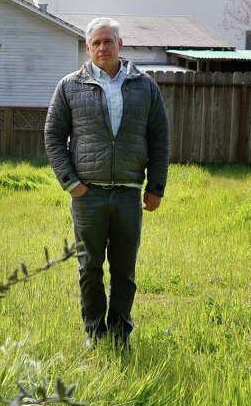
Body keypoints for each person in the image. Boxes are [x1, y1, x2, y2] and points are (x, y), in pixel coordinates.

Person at [44, 18, 170, 349]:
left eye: (108, 42)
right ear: (88, 48)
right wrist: (71, 183)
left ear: (120, 44)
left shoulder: (145, 86)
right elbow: (53, 136)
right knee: (90, 268)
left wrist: (156, 186)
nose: (103, 48)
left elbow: (160, 137)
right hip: (88, 195)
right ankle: (95, 333)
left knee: (124, 270)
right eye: (96, 42)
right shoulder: (70, 86)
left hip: (129, 193)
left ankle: (120, 333)